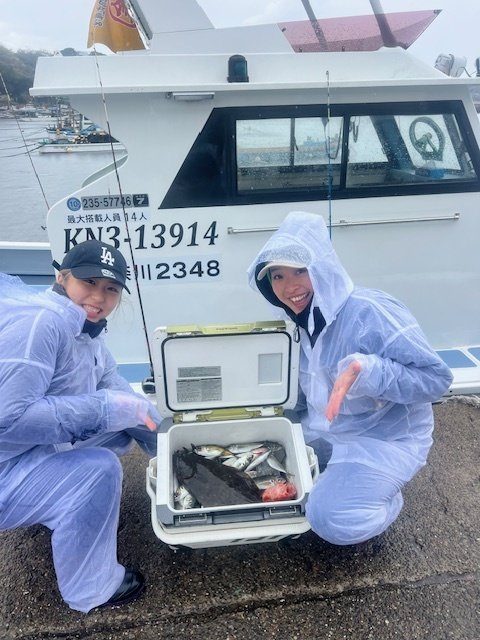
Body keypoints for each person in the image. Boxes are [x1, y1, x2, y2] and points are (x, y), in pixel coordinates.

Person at [248, 211, 453, 546]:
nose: (290, 286)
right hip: (326, 430)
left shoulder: (370, 310)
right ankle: (343, 480)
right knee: (255, 462)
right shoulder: (295, 326)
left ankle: (385, 499)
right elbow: (298, 400)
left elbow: (435, 380)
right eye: (277, 276)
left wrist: (369, 371)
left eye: (300, 270)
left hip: (384, 440)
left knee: (329, 518)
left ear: (322, 268)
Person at [0, 239, 161, 613]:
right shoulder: (41, 323)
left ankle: (60, 506)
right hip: (6, 467)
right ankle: (91, 587)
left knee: (126, 423)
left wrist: (164, 436)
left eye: (111, 288)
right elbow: (8, 418)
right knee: (99, 470)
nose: (99, 297)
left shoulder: (88, 330)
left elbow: (111, 383)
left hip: (31, 450)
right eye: (89, 282)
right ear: (62, 278)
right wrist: (103, 410)